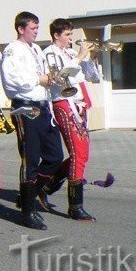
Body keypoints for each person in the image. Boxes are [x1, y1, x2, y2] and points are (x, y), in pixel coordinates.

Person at [0, 11, 63, 230]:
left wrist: (53, 79)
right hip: (26, 109)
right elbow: (14, 80)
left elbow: (44, 76)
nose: (37, 31)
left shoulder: (36, 49)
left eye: (37, 28)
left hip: (44, 107)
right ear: (20, 29)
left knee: (55, 156)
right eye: (33, 28)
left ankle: (29, 196)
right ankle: (27, 212)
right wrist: (41, 79)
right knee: (31, 160)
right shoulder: (12, 50)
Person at [42, 19, 101, 221]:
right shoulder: (50, 53)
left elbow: (92, 77)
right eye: (67, 35)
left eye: (70, 34)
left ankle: (45, 187)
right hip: (63, 103)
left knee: (82, 153)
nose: (71, 39)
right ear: (56, 35)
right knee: (77, 153)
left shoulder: (69, 54)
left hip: (78, 104)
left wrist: (88, 59)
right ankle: (75, 206)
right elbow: (59, 78)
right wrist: (79, 58)